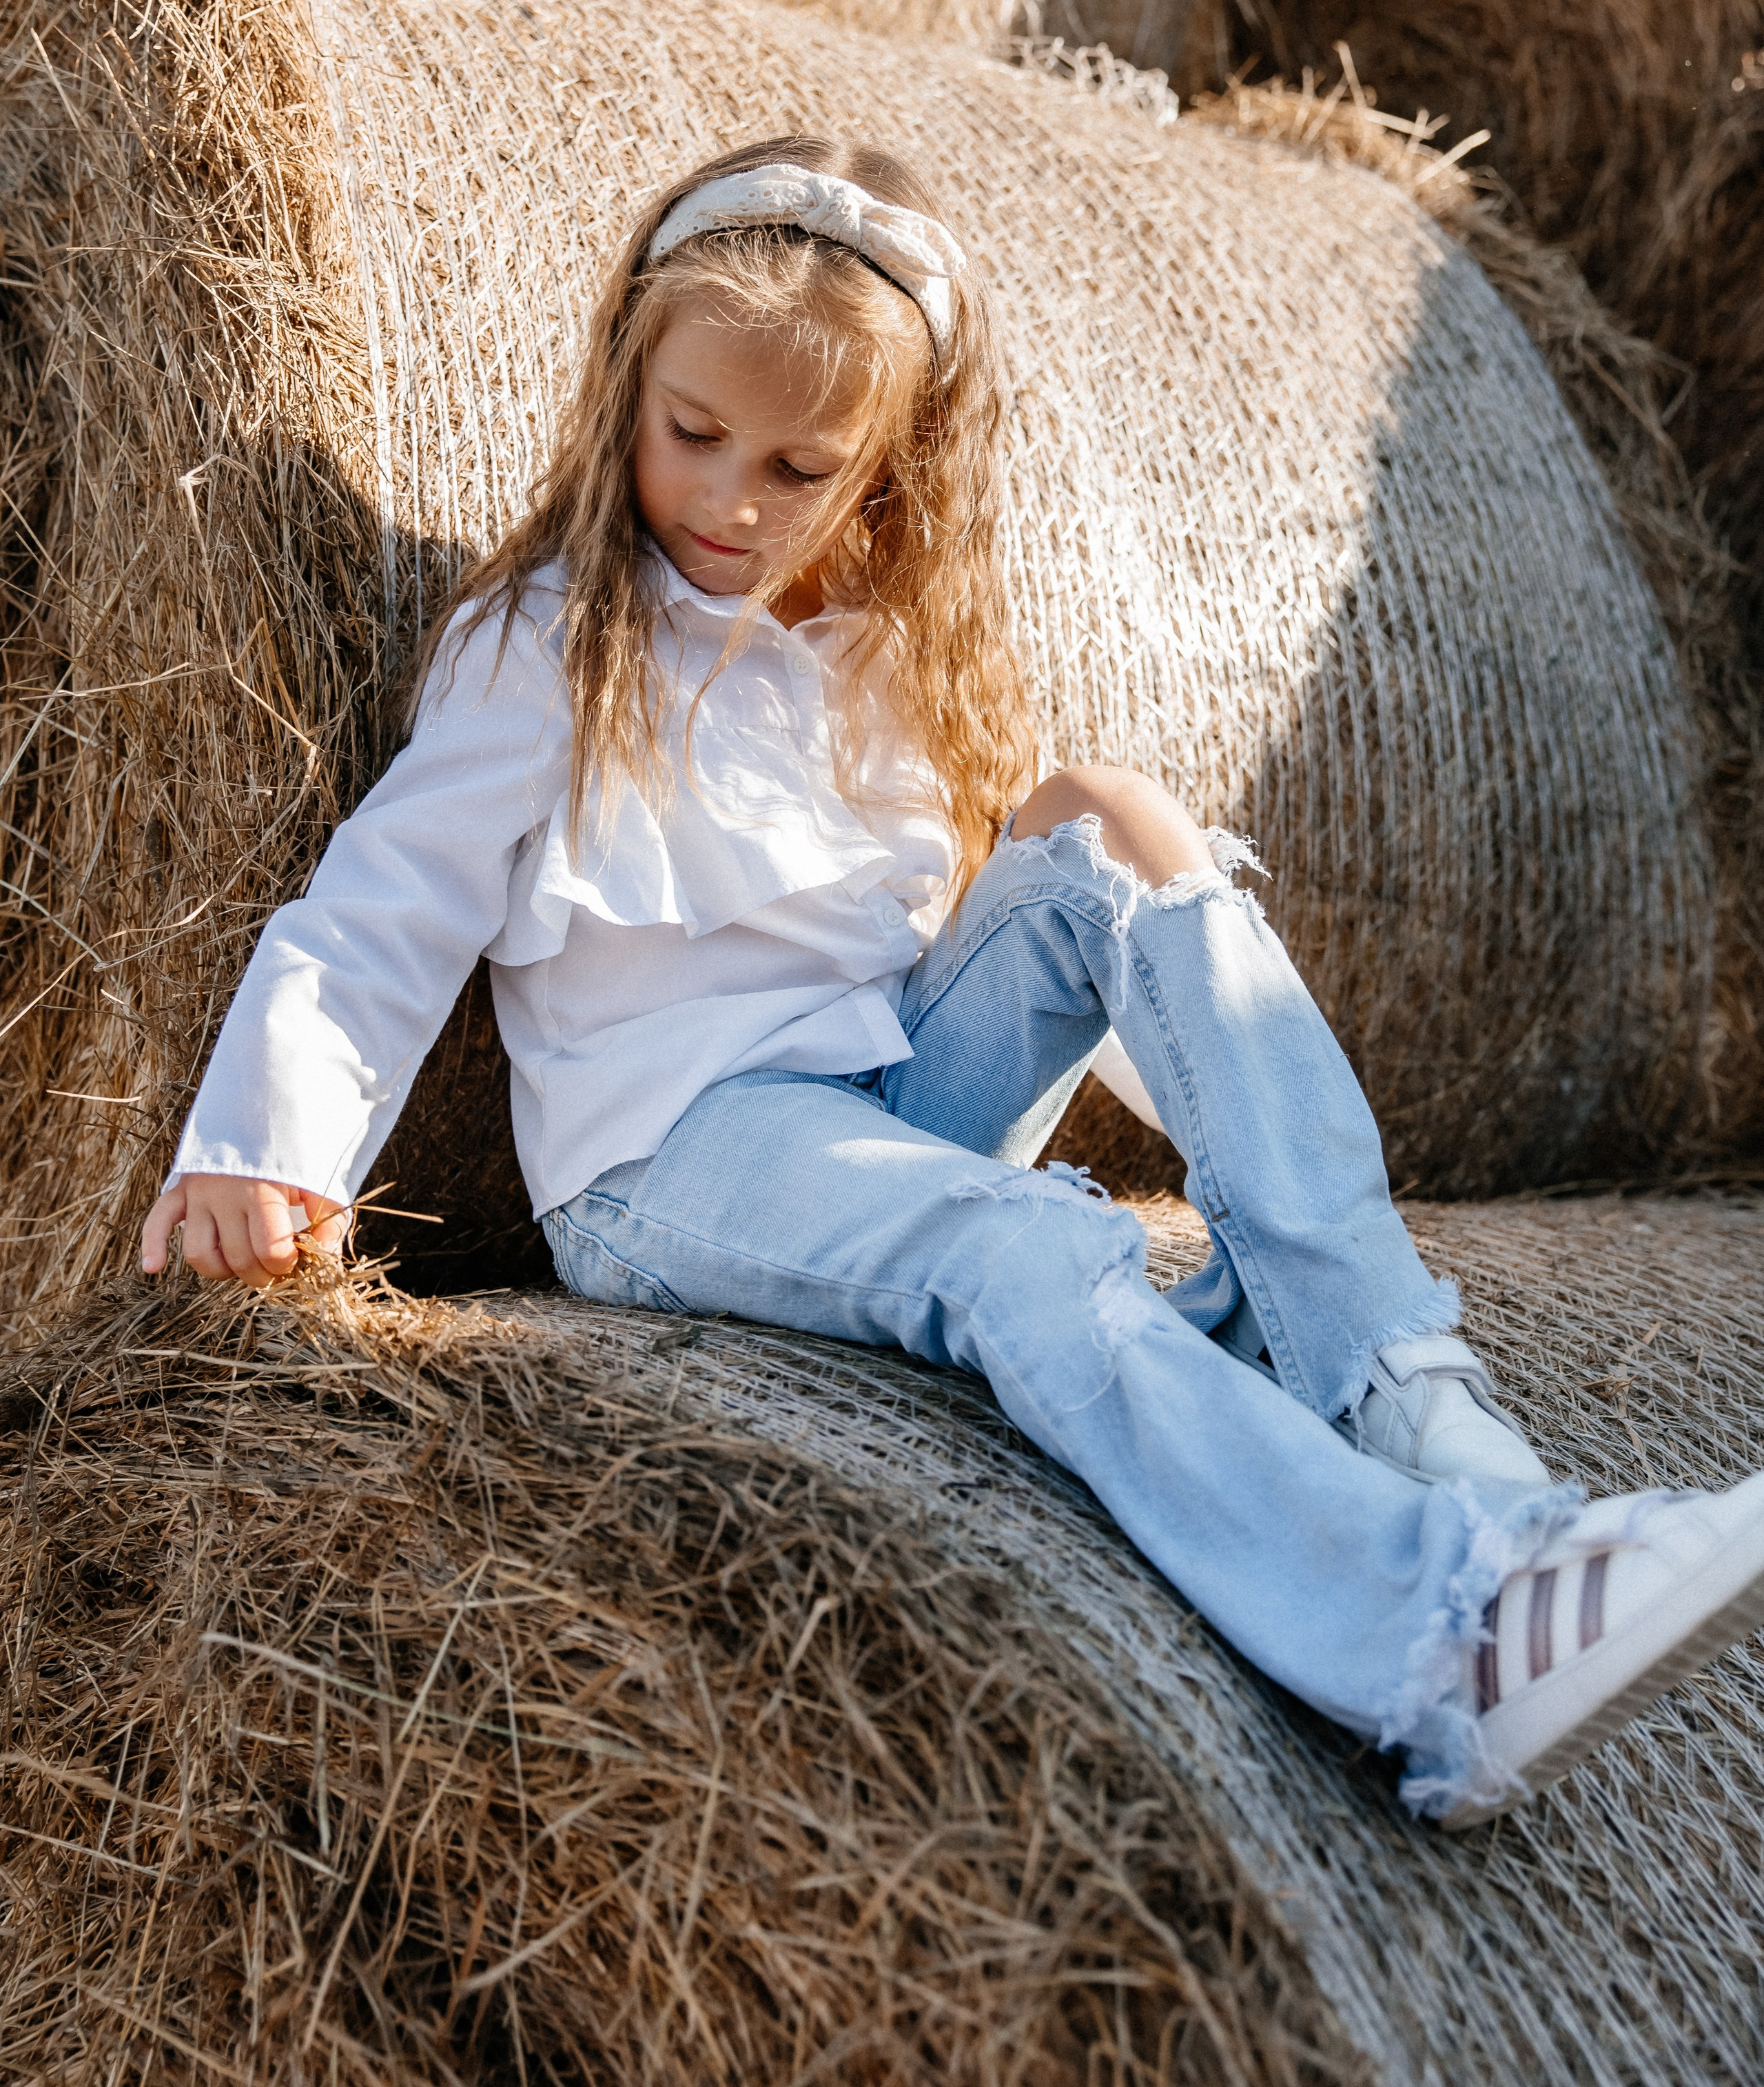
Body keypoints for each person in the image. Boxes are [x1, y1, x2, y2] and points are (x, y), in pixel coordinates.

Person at [142, 136, 1764, 1829]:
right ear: (626, 379)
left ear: (884, 469)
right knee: (1035, 1255)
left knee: (1110, 824)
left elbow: (1011, 946)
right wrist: (264, 1147)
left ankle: (1403, 1397)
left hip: (888, 1098)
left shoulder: (883, 658)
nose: (730, 501)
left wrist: (1238, 1132)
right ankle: (1437, 1646)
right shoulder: (549, 645)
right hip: (678, 1156)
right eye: (691, 433)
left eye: (799, 466)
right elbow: (381, 910)